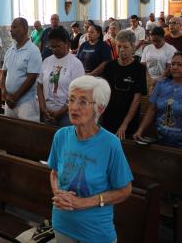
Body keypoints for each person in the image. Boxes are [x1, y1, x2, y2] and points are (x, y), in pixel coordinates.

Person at [48, 75, 133, 243]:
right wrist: (58, 192)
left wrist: (82, 203)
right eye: (71, 100)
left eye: (83, 102)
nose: (74, 107)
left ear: (99, 109)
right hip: (62, 224)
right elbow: (54, 173)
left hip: (95, 232)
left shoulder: (110, 144)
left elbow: (125, 190)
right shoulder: (61, 136)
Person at [134, 52, 182, 151]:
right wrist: (140, 130)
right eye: (173, 64)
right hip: (161, 141)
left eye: (179, 64)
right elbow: (152, 110)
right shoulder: (162, 84)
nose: (175, 67)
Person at [102, 30, 147, 139]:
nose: (121, 50)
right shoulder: (109, 66)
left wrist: (125, 124)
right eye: (119, 46)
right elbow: (103, 93)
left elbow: (136, 100)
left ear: (133, 47)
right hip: (109, 117)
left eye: (125, 47)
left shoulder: (138, 69)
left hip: (128, 120)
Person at [37, 28, 84, 127]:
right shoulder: (47, 61)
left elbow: (77, 92)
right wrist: (42, 107)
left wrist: (60, 112)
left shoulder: (75, 64)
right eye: (51, 47)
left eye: (57, 46)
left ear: (67, 43)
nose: (54, 50)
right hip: (47, 112)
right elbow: (39, 85)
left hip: (67, 114)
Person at [2, 17, 42, 121]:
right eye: (11, 27)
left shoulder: (33, 51)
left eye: (14, 27)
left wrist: (15, 97)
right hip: (9, 102)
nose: (11, 30)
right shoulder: (10, 51)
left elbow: (32, 78)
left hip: (26, 103)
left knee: (26, 134)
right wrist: (4, 93)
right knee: (9, 133)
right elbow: (4, 74)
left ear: (24, 29)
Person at [141, 27, 177, 91]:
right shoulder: (147, 48)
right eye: (153, 41)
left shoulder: (171, 49)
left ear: (163, 38)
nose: (155, 43)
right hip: (149, 80)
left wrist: (158, 80)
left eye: (158, 41)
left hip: (165, 81)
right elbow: (143, 65)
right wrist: (149, 79)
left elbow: (169, 68)